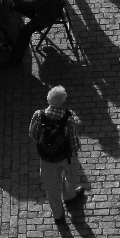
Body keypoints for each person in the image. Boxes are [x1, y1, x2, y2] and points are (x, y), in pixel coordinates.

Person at [29, 86, 85, 224]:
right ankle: (70, 197)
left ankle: (58, 216)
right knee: (70, 177)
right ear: (63, 101)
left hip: (47, 158)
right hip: (65, 156)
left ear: (48, 98)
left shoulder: (38, 115)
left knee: (51, 186)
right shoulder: (68, 118)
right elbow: (73, 143)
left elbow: (33, 134)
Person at [8, 0, 65, 64]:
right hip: (41, 8)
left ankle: (14, 60)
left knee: (24, 33)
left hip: (46, 15)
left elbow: (34, 2)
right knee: (16, 6)